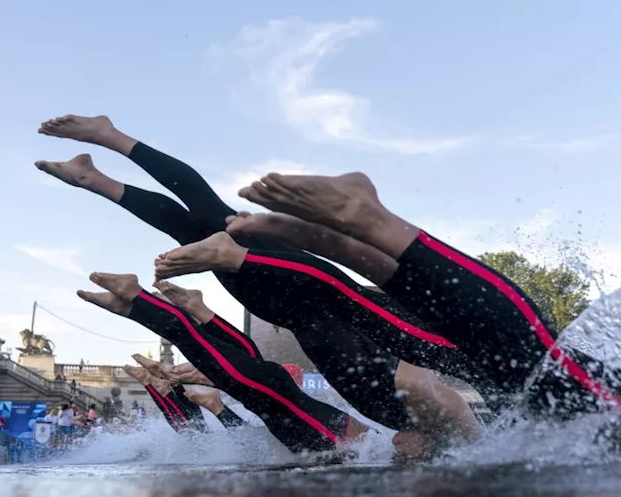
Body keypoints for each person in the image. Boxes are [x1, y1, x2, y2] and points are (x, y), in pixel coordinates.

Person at [34, 114, 477, 428]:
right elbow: (441, 395)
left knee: (197, 225)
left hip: (300, 312)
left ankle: (96, 175)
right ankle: (109, 143)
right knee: (212, 218)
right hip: (311, 295)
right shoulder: (435, 393)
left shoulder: (398, 408)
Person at [223, 170, 621, 419]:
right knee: (538, 361)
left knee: (522, 366)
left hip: (502, 388)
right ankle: (373, 220)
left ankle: (334, 229)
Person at [78, 271, 368, 454]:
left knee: (223, 364)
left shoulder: (354, 442)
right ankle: (138, 299)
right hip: (282, 394)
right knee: (199, 347)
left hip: (280, 400)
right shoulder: (369, 446)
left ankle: (154, 308)